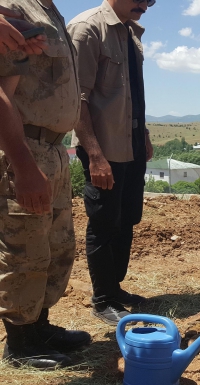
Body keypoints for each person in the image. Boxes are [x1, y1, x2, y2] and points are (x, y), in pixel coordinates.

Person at [0, 0, 90, 369]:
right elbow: (2, 90)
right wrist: (21, 163)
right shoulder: (11, 6)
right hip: (27, 149)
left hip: (54, 149)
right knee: (25, 249)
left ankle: (40, 328)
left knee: (55, 247)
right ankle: (20, 344)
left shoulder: (49, 11)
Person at [67, 0, 155, 326]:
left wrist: (142, 133)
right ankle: (103, 300)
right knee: (104, 224)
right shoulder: (87, 28)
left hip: (130, 145)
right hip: (103, 150)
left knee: (127, 218)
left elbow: (132, 93)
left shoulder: (130, 33)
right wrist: (94, 154)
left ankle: (115, 289)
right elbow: (77, 99)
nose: (146, 5)